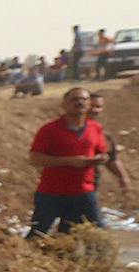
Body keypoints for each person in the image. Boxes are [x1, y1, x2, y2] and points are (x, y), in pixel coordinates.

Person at [26, 86, 108, 237]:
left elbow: (103, 153)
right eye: (74, 99)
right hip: (52, 192)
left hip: (84, 191)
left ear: (89, 104)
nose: (79, 103)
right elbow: (34, 158)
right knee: (38, 233)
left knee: (99, 233)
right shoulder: (49, 130)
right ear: (64, 104)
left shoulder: (96, 128)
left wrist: (99, 159)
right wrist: (68, 161)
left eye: (84, 99)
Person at [89, 91, 130, 198]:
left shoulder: (100, 133)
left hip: (89, 188)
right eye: (91, 106)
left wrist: (123, 177)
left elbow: (111, 159)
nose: (94, 110)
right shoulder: (64, 130)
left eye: (98, 107)